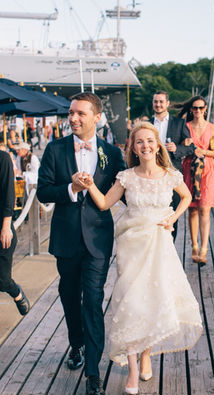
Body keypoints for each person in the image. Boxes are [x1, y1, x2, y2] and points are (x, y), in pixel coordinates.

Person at [73, 122, 203, 394]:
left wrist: (173, 217)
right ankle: (132, 368)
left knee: (154, 300)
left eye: (149, 141)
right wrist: (89, 185)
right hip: (132, 246)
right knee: (131, 302)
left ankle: (146, 354)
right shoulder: (126, 177)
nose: (145, 146)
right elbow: (105, 203)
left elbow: (187, 196)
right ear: (132, 147)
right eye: (139, 142)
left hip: (159, 245)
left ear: (157, 145)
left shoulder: (170, 175)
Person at [37, 92, 125, 395]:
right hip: (66, 236)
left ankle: (93, 374)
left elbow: (126, 190)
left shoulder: (112, 154)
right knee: (70, 294)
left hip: (99, 239)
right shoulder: (55, 149)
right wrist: (71, 189)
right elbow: (44, 192)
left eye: (80, 114)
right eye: (71, 112)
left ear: (96, 117)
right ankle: (76, 343)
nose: (73, 118)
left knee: (94, 299)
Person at [177, 96, 214, 266]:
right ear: (191, 110)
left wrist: (203, 151)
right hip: (190, 169)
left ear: (205, 109)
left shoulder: (212, 128)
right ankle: (194, 245)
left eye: (200, 108)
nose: (197, 111)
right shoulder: (185, 127)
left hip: (207, 171)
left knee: (204, 208)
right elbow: (181, 148)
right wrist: (187, 146)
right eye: (194, 108)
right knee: (193, 210)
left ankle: (204, 250)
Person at [151, 90, 196, 239]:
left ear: (167, 104)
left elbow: (191, 148)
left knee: (172, 213)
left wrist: (177, 148)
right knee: (151, 212)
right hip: (150, 175)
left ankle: (169, 246)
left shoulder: (179, 123)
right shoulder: (147, 124)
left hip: (172, 174)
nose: (158, 105)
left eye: (161, 102)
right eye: (156, 102)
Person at [0, 150, 30, 316]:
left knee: (3, 281)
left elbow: (9, 193)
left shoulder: (3, 158)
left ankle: (16, 293)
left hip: (2, 227)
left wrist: (6, 225)